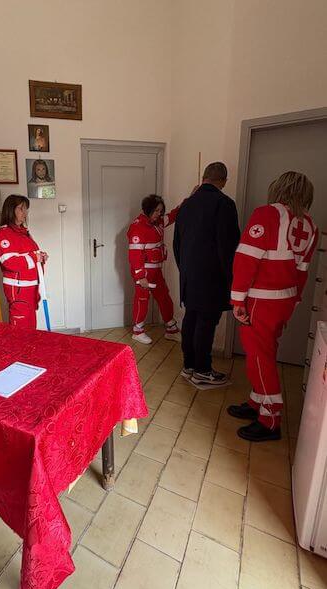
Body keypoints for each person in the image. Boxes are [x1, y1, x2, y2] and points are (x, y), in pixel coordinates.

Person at [228, 171, 318, 442]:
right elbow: (302, 271)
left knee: (259, 357)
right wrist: (294, 303)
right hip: (285, 301)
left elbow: (246, 259)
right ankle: (257, 402)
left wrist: (237, 299)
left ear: (279, 189)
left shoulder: (267, 213)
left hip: (261, 300)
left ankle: (270, 418)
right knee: (265, 351)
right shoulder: (310, 225)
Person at [174, 162, 240, 385]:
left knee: (191, 318)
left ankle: (189, 365)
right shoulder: (224, 204)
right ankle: (202, 369)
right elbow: (228, 246)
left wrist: (184, 269)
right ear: (223, 181)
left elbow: (177, 244)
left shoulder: (186, 205)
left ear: (203, 178)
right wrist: (231, 278)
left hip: (188, 275)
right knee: (206, 322)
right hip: (212, 276)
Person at [127, 194, 181, 344]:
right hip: (144, 272)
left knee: (164, 296)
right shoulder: (138, 227)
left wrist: (191, 197)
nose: (159, 214)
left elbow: (174, 215)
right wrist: (140, 276)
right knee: (142, 299)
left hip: (156, 270)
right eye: (156, 211)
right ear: (148, 210)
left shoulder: (158, 223)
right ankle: (137, 331)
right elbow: (135, 255)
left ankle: (171, 328)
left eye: (161, 211)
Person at [0, 194, 48, 329]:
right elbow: (8, 261)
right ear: (10, 210)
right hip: (19, 289)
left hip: (31, 287)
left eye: (26, 209)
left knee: (31, 325)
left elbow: (28, 255)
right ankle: (20, 351)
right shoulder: (3, 233)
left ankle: (30, 350)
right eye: (21, 209)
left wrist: (40, 257)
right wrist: (34, 257)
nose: (25, 213)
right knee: (20, 328)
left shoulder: (23, 232)